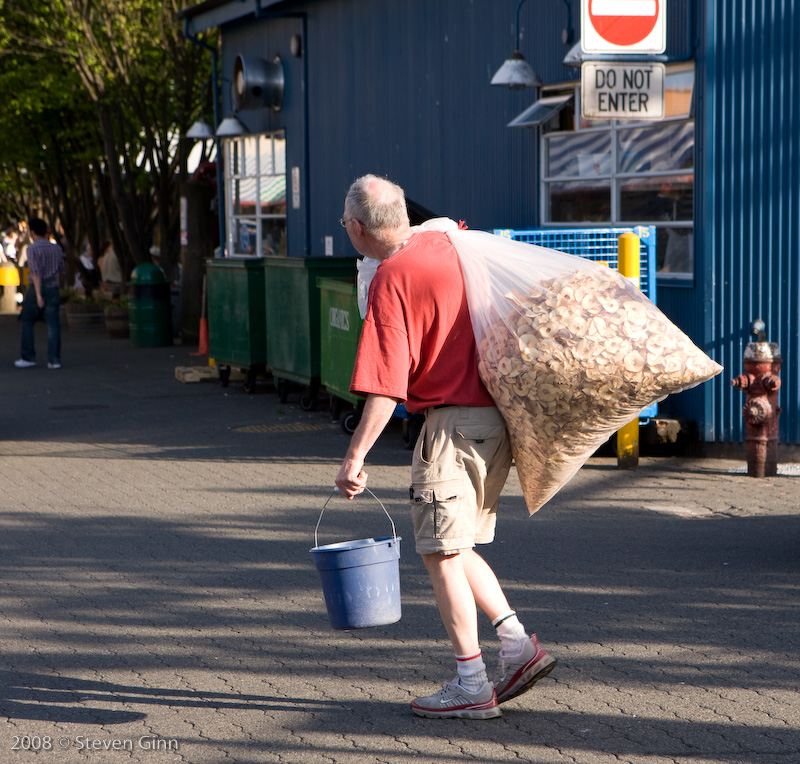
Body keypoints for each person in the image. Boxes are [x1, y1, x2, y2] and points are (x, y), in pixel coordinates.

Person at [334, 175, 556, 720]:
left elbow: (387, 387)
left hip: (451, 427)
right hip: (496, 421)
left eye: (345, 225)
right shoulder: (454, 241)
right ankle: (519, 646)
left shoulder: (392, 276)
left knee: (439, 554)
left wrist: (354, 457)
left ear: (359, 229)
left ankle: (472, 683)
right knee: (458, 548)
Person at [15, 217, 65, 369]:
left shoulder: (32, 249)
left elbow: (36, 272)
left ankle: (28, 356)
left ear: (32, 232)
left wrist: (38, 295)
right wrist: (58, 285)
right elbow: (62, 270)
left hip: (37, 287)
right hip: (53, 286)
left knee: (28, 321)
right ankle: (54, 359)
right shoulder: (56, 248)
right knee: (53, 324)